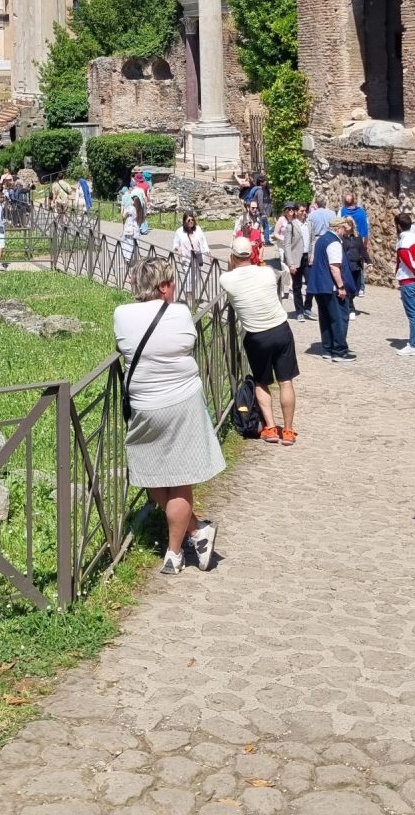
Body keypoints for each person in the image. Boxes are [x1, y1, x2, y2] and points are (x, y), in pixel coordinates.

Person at [114, 257, 224, 575]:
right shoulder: (179, 312)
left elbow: (123, 347)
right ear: (163, 286)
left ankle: (189, 538)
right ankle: (182, 546)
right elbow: (188, 342)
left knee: (151, 475)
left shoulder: (121, 314)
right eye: (172, 283)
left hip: (144, 407)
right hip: (182, 403)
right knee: (178, 479)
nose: (175, 288)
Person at [221, 234, 299, 445]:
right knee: (286, 381)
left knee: (261, 382)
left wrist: (231, 264)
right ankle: (288, 431)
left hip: (257, 335)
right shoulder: (267, 272)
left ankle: (271, 428)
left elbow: (230, 275)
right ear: (252, 254)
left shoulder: (226, 280)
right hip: (281, 329)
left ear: (232, 256)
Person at [306, 216, 356, 362]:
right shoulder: (334, 242)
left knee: (326, 318)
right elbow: (334, 267)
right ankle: (339, 351)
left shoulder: (321, 239)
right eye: (344, 229)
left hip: (320, 286)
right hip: (331, 287)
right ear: (339, 228)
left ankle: (327, 349)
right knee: (339, 318)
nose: (345, 232)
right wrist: (341, 287)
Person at [394, 210, 415, 356]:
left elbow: (408, 262)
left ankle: (414, 344)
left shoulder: (403, 242)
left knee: (413, 314)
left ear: (398, 226)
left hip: (408, 280)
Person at [280, 202, 312, 321]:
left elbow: (313, 240)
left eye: (305, 211)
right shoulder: (291, 226)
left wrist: (312, 254)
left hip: (307, 258)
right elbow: (287, 245)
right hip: (296, 259)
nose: (304, 213)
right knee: (297, 286)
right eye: (301, 211)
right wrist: (291, 263)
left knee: (311, 284)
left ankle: (307, 307)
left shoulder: (309, 224)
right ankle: (299, 311)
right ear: (296, 212)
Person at [171, 212, 211, 299]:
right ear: (184, 221)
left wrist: (208, 253)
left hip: (197, 258)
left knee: (196, 278)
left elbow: (204, 242)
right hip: (186, 259)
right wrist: (178, 250)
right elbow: (175, 244)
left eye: (192, 220)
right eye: (188, 220)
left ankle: (191, 297)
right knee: (188, 278)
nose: (191, 221)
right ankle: (189, 298)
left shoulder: (198, 229)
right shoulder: (179, 231)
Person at [339, 215, 366, 318]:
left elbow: (362, 250)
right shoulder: (341, 238)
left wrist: (369, 262)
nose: (347, 225)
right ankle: (351, 309)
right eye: (345, 223)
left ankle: (347, 303)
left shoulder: (357, 237)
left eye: (349, 223)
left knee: (356, 289)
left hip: (356, 265)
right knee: (348, 288)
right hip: (346, 266)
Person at [339, 188, 371, 267]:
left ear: (345, 202)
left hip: (346, 242)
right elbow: (366, 228)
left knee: (346, 264)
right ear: (354, 201)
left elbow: (338, 227)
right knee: (359, 263)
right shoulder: (362, 212)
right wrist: (366, 243)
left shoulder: (342, 211)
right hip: (360, 241)